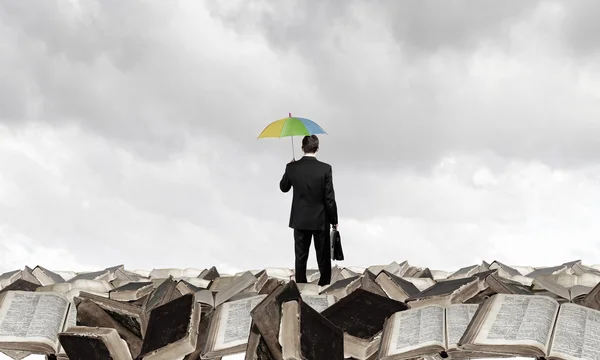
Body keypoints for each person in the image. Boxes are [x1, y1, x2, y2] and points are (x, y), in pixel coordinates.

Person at [279, 135, 338, 286]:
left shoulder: (292, 167)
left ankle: (301, 286)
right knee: (323, 256)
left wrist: (289, 169)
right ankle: (324, 285)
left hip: (300, 220)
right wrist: (334, 221)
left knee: (300, 256)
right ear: (317, 148)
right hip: (320, 220)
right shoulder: (325, 168)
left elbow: (283, 188)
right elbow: (329, 198)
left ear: (302, 148)